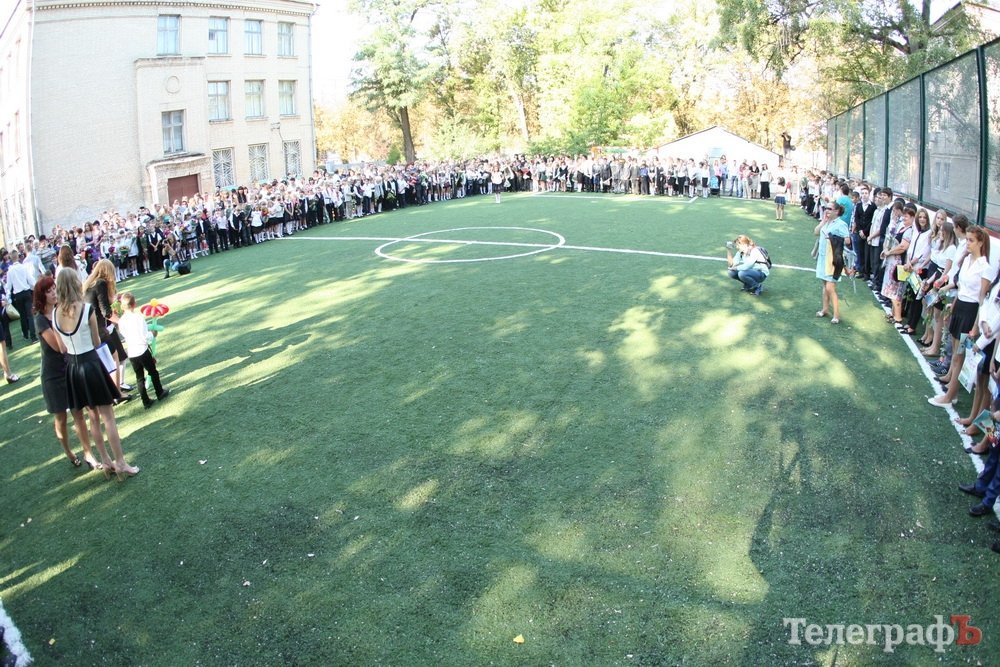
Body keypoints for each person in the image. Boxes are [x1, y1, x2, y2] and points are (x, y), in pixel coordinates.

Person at [50, 270, 139, 480]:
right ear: (74, 284)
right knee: (108, 417)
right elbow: (97, 342)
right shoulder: (86, 309)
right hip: (90, 363)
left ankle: (106, 461)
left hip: (73, 368)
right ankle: (120, 462)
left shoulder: (54, 315)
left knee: (92, 417)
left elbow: (62, 348)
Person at [33, 275, 101, 469]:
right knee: (61, 417)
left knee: (78, 412)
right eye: (48, 291)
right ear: (41, 295)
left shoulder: (59, 311)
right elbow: (58, 346)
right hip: (53, 375)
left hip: (70, 368)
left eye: (54, 288)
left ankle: (88, 453)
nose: (54, 293)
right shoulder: (41, 319)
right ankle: (68, 451)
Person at [929, 226, 993, 407]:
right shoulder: (966, 261)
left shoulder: (985, 267)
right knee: (956, 355)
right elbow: (961, 288)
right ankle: (951, 393)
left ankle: (950, 396)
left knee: (960, 356)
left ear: (980, 243)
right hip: (959, 308)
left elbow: (982, 299)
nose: (968, 244)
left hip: (971, 313)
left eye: (971, 241)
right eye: (968, 240)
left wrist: (974, 326)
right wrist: (953, 306)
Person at [83, 259, 132, 399]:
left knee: (104, 362)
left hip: (89, 329)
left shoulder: (89, 284)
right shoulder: (101, 283)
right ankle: (117, 393)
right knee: (114, 359)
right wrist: (123, 322)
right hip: (99, 329)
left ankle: (109, 392)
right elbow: (105, 311)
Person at [117, 292, 170, 409]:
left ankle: (145, 401)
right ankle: (159, 392)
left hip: (132, 352)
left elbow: (125, 334)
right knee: (152, 371)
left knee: (139, 377)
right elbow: (144, 336)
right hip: (142, 350)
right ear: (134, 304)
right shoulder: (138, 318)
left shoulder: (121, 321)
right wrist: (152, 334)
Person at [814, 201, 850, 323]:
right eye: (825, 208)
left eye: (829, 209)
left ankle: (836, 315)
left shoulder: (841, 224)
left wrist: (834, 238)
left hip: (833, 258)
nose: (826, 211)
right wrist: (823, 222)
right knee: (824, 285)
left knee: (830, 287)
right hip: (823, 257)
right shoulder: (826, 221)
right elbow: (816, 232)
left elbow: (848, 240)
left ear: (836, 211)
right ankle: (825, 309)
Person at [5, 250, 38, 342]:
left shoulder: (10, 271)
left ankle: (26, 334)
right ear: (18, 257)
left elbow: (9, 286)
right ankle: (33, 336)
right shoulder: (23, 267)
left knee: (23, 316)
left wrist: (7, 297)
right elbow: (31, 280)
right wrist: (36, 287)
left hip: (18, 295)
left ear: (11, 258)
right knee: (30, 315)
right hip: (26, 292)